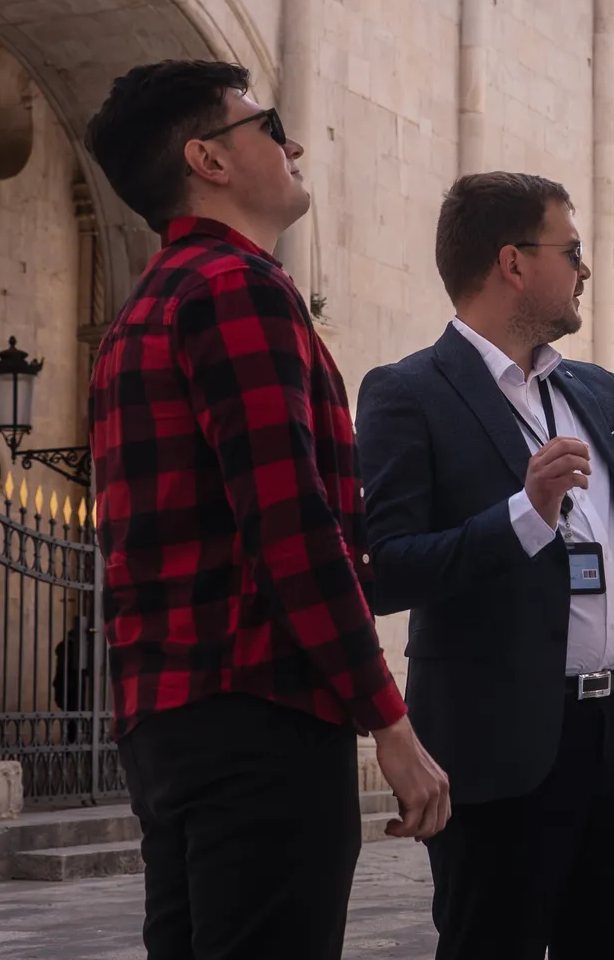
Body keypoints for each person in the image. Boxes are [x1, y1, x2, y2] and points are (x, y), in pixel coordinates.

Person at [355, 172, 614, 960]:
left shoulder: (597, 391)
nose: (584, 269)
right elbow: (388, 570)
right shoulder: (408, 393)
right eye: (571, 249)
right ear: (512, 262)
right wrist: (524, 514)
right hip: (497, 741)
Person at [83, 61, 448, 960]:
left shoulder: (142, 313)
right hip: (261, 717)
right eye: (267, 125)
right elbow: (291, 524)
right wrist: (388, 719)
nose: (289, 143)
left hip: (170, 721)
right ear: (207, 158)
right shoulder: (236, 289)